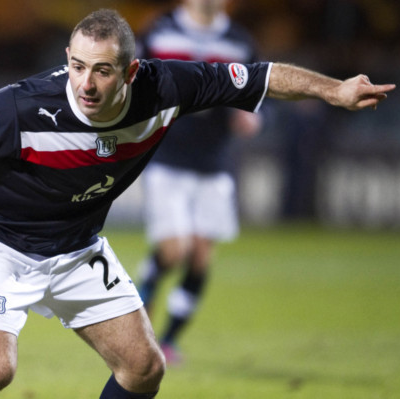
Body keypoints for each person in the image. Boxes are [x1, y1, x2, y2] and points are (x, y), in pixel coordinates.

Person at [0, 8, 394, 399]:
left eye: (100, 70)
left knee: (144, 368)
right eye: (75, 67)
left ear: (129, 70)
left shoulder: (169, 84)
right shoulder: (23, 108)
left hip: (76, 249)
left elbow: (260, 75)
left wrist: (334, 90)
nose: (85, 84)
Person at [135, 0, 263, 364]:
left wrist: (254, 117)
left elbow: (259, 91)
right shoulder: (159, 31)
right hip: (167, 156)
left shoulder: (239, 41)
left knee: (201, 254)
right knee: (176, 250)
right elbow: (134, 83)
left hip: (215, 161)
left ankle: (169, 341)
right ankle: (146, 288)